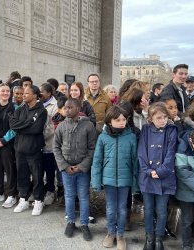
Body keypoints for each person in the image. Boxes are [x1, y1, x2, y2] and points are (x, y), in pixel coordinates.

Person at [92, 105, 139, 249]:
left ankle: (120, 235)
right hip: (108, 179)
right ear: (109, 121)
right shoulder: (103, 137)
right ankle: (111, 233)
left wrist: (135, 183)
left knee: (123, 209)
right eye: (117, 120)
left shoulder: (131, 136)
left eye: (124, 119)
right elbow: (97, 160)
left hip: (125, 180)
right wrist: (96, 181)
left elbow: (135, 161)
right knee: (111, 208)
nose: (122, 122)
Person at [53, 98, 97, 241]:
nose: (67, 110)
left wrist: (82, 166)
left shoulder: (88, 126)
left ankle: (84, 223)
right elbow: (56, 147)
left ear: (78, 108)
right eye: (66, 108)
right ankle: (70, 221)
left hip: (82, 170)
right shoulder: (61, 126)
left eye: (71, 107)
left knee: (83, 196)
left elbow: (92, 148)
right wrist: (65, 166)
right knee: (69, 196)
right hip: (67, 170)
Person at [138, 102, 178, 250]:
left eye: (165, 117)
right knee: (148, 209)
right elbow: (141, 152)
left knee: (162, 210)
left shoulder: (171, 130)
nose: (163, 120)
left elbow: (170, 154)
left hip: (165, 177)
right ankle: (149, 237)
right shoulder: (146, 130)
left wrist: (160, 171)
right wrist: (148, 171)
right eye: (159, 118)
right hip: (147, 177)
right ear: (151, 119)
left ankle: (159, 237)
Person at [9, 85, 47, 215]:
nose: (23, 95)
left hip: (34, 149)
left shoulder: (41, 111)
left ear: (35, 95)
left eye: (26, 93)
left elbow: (36, 129)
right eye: (23, 93)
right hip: (20, 149)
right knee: (22, 175)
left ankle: (38, 201)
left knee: (37, 176)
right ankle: (23, 199)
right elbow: (13, 125)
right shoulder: (20, 109)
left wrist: (22, 126)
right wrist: (28, 123)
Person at [40, 83, 58, 205]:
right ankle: (40, 190)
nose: (39, 94)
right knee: (38, 169)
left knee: (49, 169)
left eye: (42, 91)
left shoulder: (55, 106)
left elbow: (52, 126)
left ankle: (50, 191)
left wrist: (39, 137)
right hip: (37, 144)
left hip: (48, 143)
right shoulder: (37, 103)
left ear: (49, 93)